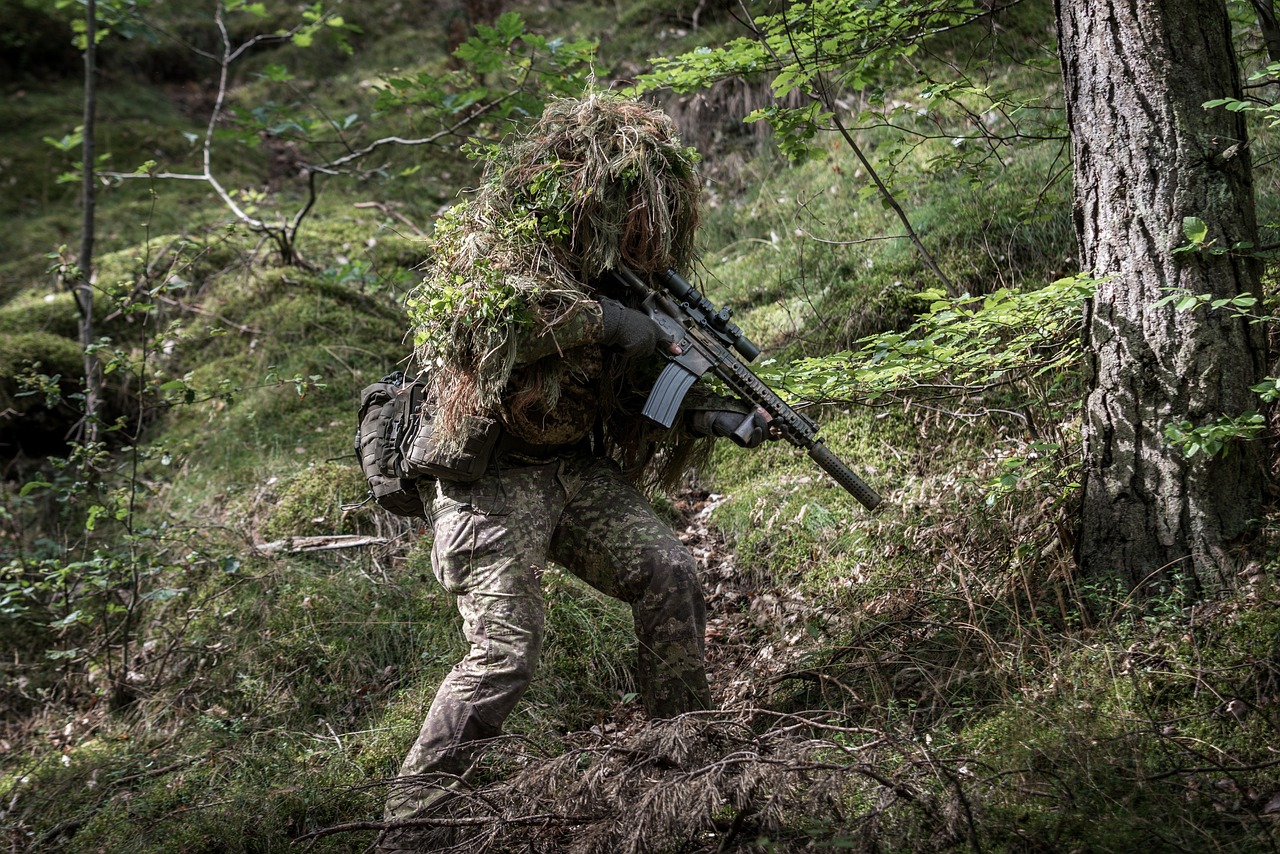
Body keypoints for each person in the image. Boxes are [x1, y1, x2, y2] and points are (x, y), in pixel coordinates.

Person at [380, 93, 771, 851]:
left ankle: (681, 757)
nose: (636, 231)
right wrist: (627, 327)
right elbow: (487, 331)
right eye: (623, 212)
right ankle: (411, 823)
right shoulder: (505, 259)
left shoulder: (637, 283)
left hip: (574, 472)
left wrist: (717, 418)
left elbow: (636, 401)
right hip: (489, 480)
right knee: (503, 652)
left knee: (670, 572)